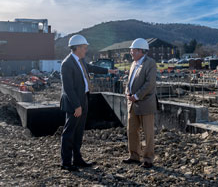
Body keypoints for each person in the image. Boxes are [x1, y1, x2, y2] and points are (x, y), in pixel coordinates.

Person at [60, 34, 117, 171]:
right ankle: (66, 163)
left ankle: (78, 159)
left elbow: (92, 68)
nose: (86, 50)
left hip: (83, 98)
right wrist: (76, 105)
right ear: (78, 48)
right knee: (69, 132)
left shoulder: (80, 61)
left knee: (79, 131)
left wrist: (108, 70)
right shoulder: (67, 64)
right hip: (75, 103)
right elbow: (68, 88)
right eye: (84, 48)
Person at [123, 38, 157, 168]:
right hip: (132, 104)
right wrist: (127, 92)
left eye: (132, 50)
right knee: (131, 130)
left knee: (148, 133)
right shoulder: (133, 64)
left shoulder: (150, 63)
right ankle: (134, 156)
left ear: (140, 51)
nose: (131, 52)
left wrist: (137, 96)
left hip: (145, 103)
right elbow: (129, 82)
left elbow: (150, 83)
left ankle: (148, 159)